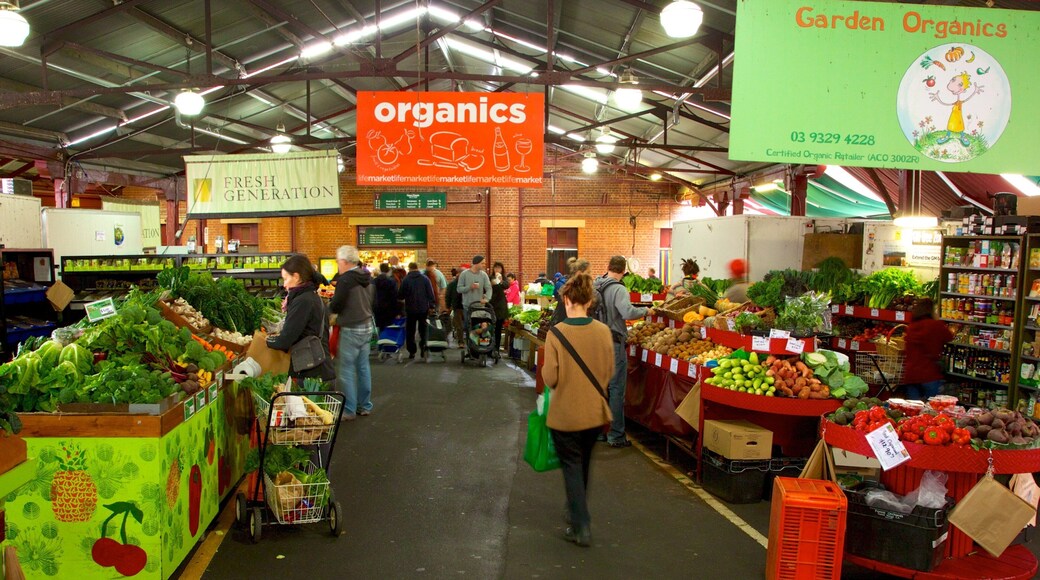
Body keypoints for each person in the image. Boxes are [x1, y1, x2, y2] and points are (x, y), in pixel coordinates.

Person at [542, 271, 614, 547]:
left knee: (571, 465)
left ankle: (581, 524)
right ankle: (575, 510)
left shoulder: (557, 334)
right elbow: (608, 373)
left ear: (569, 299)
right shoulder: (603, 331)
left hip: (566, 414)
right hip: (595, 413)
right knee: (582, 463)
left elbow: (550, 378)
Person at [595, 256, 654, 448]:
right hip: (613, 343)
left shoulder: (597, 284)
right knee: (616, 389)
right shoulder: (618, 288)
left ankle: (599, 432)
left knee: (600, 388)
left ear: (608, 267)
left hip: (595, 341)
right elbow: (628, 313)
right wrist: (646, 311)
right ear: (623, 271)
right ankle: (616, 435)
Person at [266, 255, 335, 386]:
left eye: (286, 279)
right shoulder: (312, 297)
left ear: (296, 277)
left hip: (312, 376)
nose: (284, 284)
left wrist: (266, 341)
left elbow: (286, 339)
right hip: (321, 369)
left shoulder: (303, 301)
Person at [327, 246, 375, 420]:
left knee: (346, 370)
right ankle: (364, 405)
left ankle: (348, 410)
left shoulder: (346, 279)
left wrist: (327, 314)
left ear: (344, 261)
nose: (337, 264)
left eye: (338, 261)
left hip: (351, 328)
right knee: (363, 367)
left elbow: (337, 305)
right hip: (366, 325)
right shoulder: (366, 276)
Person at [901, 299, 954, 400]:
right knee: (932, 408)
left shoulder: (911, 326)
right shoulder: (936, 325)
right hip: (929, 374)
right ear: (931, 310)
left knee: (913, 408)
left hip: (911, 374)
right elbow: (949, 336)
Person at [398, 262, 436, 359]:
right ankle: (423, 347)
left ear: (409, 269)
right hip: (423, 309)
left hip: (410, 309)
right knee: (423, 330)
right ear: (417, 268)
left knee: (410, 331)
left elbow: (400, 295)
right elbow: (430, 293)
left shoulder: (406, 280)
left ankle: (412, 351)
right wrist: (432, 306)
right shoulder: (425, 279)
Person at [372, 263, 399, 331]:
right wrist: (396, 311)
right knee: (388, 329)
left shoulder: (374, 281)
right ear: (388, 270)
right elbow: (394, 296)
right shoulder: (391, 281)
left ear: (380, 269)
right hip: (389, 308)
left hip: (377, 308)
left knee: (379, 328)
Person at [489, 272, 508, 354]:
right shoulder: (491, 282)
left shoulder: (501, 283)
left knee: (497, 330)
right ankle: (492, 348)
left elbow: (506, 285)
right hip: (492, 309)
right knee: (492, 330)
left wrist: (500, 281)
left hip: (499, 310)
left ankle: (496, 348)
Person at [450, 265, 468, 347]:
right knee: (459, 326)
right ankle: (461, 342)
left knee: (469, 325)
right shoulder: (453, 283)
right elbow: (449, 294)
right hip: (457, 307)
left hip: (467, 306)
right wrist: (449, 305)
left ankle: (469, 341)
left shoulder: (468, 282)